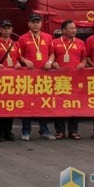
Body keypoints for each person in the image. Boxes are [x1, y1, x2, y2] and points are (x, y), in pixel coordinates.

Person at [18, 13, 55, 141]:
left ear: (41, 24)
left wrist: (49, 62)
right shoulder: (23, 38)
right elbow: (19, 55)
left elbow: (52, 54)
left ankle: (44, 130)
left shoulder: (48, 37)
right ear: (29, 24)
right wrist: (25, 61)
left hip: (43, 76)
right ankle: (26, 130)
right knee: (27, 104)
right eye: (33, 22)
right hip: (29, 77)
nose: (35, 24)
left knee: (43, 103)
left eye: (38, 22)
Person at [50, 20, 85, 140]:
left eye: (75, 28)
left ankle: (73, 131)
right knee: (59, 105)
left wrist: (82, 64)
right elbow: (51, 56)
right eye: (71, 28)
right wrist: (53, 63)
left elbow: (85, 58)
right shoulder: (55, 42)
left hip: (75, 79)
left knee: (74, 105)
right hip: (59, 79)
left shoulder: (80, 43)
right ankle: (59, 131)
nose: (74, 30)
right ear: (63, 30)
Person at [0, 20, 21, 141]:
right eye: (5, 28)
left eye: (9, 28)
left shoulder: (15, 44)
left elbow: (19, 59)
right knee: (0, 107)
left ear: (12, 30)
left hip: (12, 80)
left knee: (10, 106)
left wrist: (18, 63)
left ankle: (9, 131)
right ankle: (1, 133)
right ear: (0, 30)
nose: (7, 30)